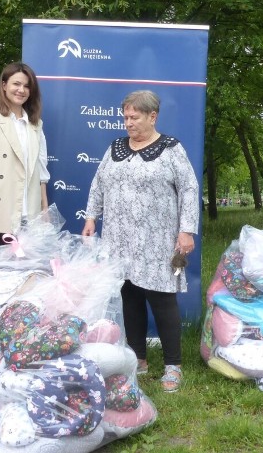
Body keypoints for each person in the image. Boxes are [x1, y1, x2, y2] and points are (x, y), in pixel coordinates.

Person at [82, 90, 199, 393]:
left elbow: (188, 189)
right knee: (129, 296)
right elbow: (98, 183)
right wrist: (91, 216)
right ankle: (139, 358)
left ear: (152, 117)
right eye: (125, 117)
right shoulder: (116, 148)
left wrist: (187, 230)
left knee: (162, 299)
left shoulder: (171, 149)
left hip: (157, 240)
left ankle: (173, 365)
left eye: (134, 117)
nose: (128, 122)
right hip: (118, 240)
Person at [0, 62, 49, 248]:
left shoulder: (36, 125)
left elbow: (41, 171)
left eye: (27, 86)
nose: (21, 90)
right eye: (16, 84)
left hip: (30, 213)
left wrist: (44, 208)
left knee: (26, 272)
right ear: (4, 85)